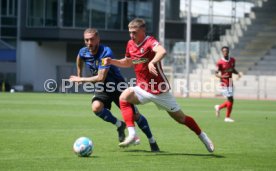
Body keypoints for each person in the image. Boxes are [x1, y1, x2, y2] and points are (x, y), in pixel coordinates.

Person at [104, 18, 214, 152]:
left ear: (143, 31)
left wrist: (152, 62)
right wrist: (112, 61)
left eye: (134, 32)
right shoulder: (130, 44)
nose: (132, 35)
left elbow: (162, 51)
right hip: (142, 88)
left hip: (160, 91)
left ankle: (202, 136)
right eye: (130, 32)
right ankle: (132, 134)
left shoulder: (150, 41)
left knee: (181, 118)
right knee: (124, 97)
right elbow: (128, 62)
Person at [69, 28, 160, 152]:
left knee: (135, 116)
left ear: (98, 39)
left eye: (92, 39)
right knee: (96, 107)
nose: (89, 43)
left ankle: (152, 141)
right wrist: (79, 73)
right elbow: (79, 58)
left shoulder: (105, 52)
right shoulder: (83, 51)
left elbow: (101, 77)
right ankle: (120, 125)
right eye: (86, 40)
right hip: (103, 88)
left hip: (118, 86)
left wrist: (81, 80)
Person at [214, 46, 241, 122]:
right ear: (222, 52)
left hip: (230, 81)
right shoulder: (220, 62)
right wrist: (221, 76)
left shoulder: (232, 60)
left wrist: (237, 73)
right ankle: (227, 117)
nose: (225, 52)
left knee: (231, 100)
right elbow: (216, 73)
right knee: (230, 99)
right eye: (224, 51)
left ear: (228, 51)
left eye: (226, 51)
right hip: (224, 82)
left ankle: (218, 107)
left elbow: (232, 69)